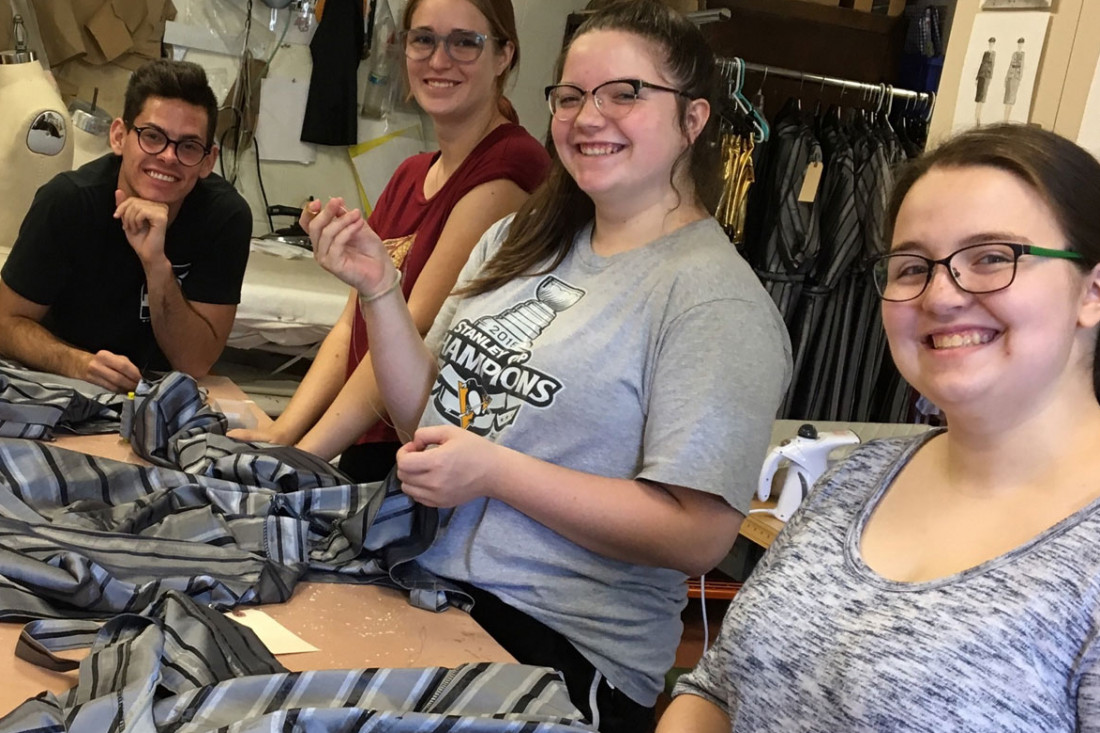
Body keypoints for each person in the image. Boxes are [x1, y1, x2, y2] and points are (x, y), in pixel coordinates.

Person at [304, 1, 791, 730]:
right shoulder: (520, 235)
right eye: (571, 95)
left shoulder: (713, 301)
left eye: (624, 92)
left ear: (693, 120)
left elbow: (698, 533)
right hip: (428, 586)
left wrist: (497, 472)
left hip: (557, 655)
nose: (589, 116)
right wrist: (380, 290)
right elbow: (424, 420)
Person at [660, 124, 1100, 731]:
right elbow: (717, 687)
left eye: (993, 258)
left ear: (1093, 290)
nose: (942, 296)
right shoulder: (861, 476)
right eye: (912, 266)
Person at [230, 0, 551, 483]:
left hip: (414, 456)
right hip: (366, 444)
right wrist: (282, 434)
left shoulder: (509, 167)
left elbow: (409, 332)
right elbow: (351, 326)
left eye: (465, 42)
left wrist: (303, 461)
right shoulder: (409, 174)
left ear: (504, 55)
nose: (439, 60)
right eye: (423, 39)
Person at [0, 59, 250, 393]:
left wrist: (156, 265)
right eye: (152, 136)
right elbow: (5, 323)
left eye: (188, 146)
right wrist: (77, 363)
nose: (167, 157)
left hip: (160, 392)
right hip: (60, 381)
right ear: (119, 136)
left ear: (208, 161)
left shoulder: (225, 218)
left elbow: (194, 362)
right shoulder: (68, 202)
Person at [975, 36, 995, 126]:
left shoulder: (994, 53)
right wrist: (977, 76)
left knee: (983, 96)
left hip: (987, 76)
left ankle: (979, 116)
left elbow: (992, 66)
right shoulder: (985, 53)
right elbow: (981, 64)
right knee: (978, 96)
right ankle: (976, 116)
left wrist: (990, 77)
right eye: (990, 43)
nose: (991, 44)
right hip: (981, 75)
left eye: (992, 43)